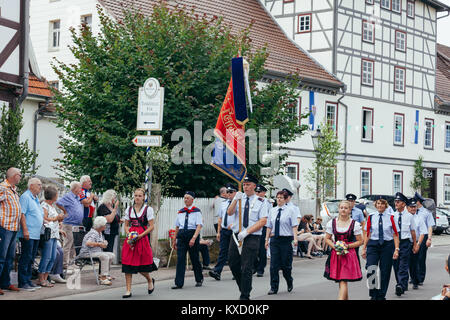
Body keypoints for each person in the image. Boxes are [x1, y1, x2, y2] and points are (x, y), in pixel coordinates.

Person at [226, 174, 269, 300]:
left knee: (246, 267)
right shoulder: (239, 198)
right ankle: (244, 287)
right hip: (236, 236)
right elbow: (229, 212)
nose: (245, 187)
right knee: (233, 263)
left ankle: (245, 295)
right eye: (244, 184)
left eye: (248, 184)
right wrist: (235, 200)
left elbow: (262, 221)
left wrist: (247, 232)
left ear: (254, 186)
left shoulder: (262, 202)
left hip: (251, 236)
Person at [323, 200, 363, 300]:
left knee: (343, 280)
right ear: (339, 209)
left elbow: (360, 241)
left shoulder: (355, 224)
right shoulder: (332, 223)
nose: (343, 210)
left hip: (349, 255)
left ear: (350, 210)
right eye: (341, 208)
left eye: (346, 208)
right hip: (336, 255)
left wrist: (348, 246)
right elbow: (327, 238)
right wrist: (334, 246)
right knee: (341, 281)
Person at [361, 197, 400, 300]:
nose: (380, 206)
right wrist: (364, 248)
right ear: (375, 205)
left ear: (385, 205)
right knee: (371, 268)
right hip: (373, 245)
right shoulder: (371, 217)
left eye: (382, 204)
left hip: (387, 245)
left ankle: (381, 295)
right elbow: (367, 234)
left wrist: (396, 249)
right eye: (378, 204)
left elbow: (395, 234)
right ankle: (373, 294)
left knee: (385, 271)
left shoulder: (391, 217)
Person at [122, 188, 157, 298]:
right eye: (136, 195)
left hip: (142, 239)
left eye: (140, 196)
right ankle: (128, 290)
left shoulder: (148, 209)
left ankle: (150, 280)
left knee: (142, 267)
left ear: (143, 197)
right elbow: (126, 225)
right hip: (131, 239)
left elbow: (151, 226)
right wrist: (129, 234)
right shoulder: (129, 209)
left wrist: (140, 236)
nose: (137, 197)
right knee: (127, 264)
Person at [265, 190, 298, 295]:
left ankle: (289, 280)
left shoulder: (290, 211)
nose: (279, 199)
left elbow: (294, 226)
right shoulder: (272, 211)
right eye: (277, 197)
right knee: (273, 265)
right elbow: (269, 226)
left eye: (281, 198)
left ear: (285, 199)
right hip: (275, 240)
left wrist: (295, 239)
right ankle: (274, 287)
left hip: (286, 240)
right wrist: (266, 239)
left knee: (285, 265)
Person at [172, 191, 203, 289]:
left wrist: (193, 238)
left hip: (192, 234)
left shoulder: (196, 211)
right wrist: (174, 239)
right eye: (184, 198)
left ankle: (199, 279)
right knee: (180, 259)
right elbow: (177, 226)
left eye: (187, 198)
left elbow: (199, 225)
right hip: (181, 235)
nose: (185, 200)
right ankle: (179, 283)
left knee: (194, 258)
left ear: (192, 200)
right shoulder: (181, 211)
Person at [17, 177, 44, 291]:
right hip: (28, 233)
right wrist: (25, 230)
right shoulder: (25, 197)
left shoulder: (36, 198)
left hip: (36, 233)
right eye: (38, 184)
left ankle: (28, 280)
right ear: (31, 185)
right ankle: (23, 283)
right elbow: (22, 214)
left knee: (31, 258)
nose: (40, 186)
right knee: (26, 257)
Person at [0, 168, 22, 294]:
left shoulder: (13, 189)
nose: (20, 177)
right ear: (14, 176)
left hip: (13, 228)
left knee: (9, 257)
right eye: (19, 175)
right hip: (5, 227)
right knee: (1, 257)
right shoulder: (3, 187)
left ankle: (6, 283)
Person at [38, 186, 65, 287]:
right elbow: (44, 219)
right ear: (53, 196)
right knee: (47, 257)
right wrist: (56, 218)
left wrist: (59, 221)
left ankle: (46, 277)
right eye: (57, 194)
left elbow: (53, 219)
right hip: (47, 235)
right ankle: (41, 278)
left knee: (53, 257)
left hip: (54, 235)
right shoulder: (44, 205)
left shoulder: (52, 206)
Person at [209, 184, 236, 281]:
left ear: (236, 193)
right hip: (224, 230)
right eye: (227, 192)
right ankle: (217, 271)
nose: (229, 194)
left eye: (231, 192)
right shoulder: (224, 203)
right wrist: (218, 232)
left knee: (234, 253)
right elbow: (220, 218)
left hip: (234, 231)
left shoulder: (239, 203)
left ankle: (237, 271)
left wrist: (234, 225)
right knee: (223, 251)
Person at [392, 192, 417, 297]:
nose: (396, 203)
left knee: (403, 265)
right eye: (395, 201)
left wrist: (415, 244)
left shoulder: (409, 216)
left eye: (398, 202)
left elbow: (413, 232)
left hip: (405, 242)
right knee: (396, 265)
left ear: (403, 204)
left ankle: (401, 285)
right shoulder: (392, 215)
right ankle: (401, 283)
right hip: (394, 243)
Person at [78, 216, 115, 285]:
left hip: (95, 252)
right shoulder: (93, 233)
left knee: (111, 255)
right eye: (104, 225)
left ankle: (104, 274)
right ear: (100, 226)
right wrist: (100, 244)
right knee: (105, 256)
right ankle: (103, 278)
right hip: (87, 253)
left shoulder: (99, 233)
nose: (105, 226)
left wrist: (104, 243)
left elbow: (100, 243)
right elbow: (88, 243)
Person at [56, 181, 84, 271]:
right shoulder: (69, 196)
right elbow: (58, 203)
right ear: (75, 188)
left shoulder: (76, 197)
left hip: (74, 224)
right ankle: (65, 264)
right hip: (68, 223)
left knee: (72, 244)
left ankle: (71, 262)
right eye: (80, 188)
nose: (81, 190)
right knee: (68, 243)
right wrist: (65, 211)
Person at [406, 198, 427, 290]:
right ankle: (403, 282)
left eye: (414, 207)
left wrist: (418, 244)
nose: (413, 209)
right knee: (403, 263)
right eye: (411, 207)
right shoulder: (404, 217)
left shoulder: (419, 218)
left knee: (414, 263)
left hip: (415, 243)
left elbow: (423, 232)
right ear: (407, 208)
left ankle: (415, 281)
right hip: (405, 243)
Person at [414, 192, 435, 286]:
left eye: (414, 201)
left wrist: (429, 239)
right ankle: (413, 276)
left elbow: (430, 226)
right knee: (413, 257)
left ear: (418, 202)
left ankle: (420, 277)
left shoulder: (427, 212)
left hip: (424, 237)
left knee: (421, 257)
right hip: (414, 237)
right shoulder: (411, 211)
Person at [254, 184, 271, 277]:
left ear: (264, 193)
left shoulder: (267, 203)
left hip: (263, 227)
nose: (257, 193)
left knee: (261, 249)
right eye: (256, 191)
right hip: (252, 227)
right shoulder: (252, 201)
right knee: (251, 248)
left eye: (259, 192)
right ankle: (254, 265)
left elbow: (270, 217)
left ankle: (260, 268)